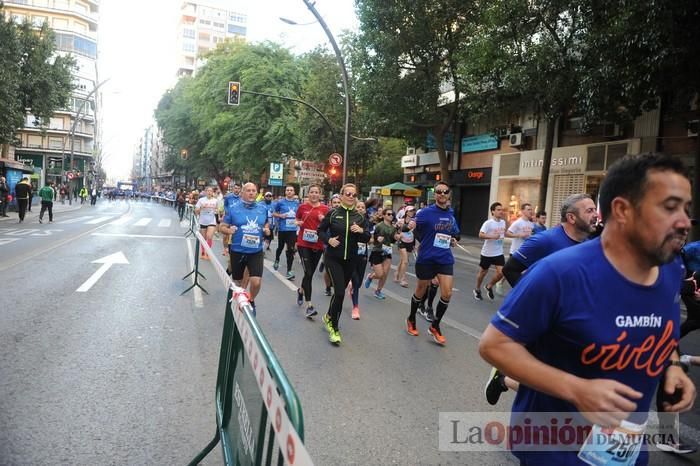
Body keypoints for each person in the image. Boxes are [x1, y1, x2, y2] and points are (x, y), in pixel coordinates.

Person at [479, 153, 696, 465]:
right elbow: (493, 345)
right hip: (554, 448)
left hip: (625, 449)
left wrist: (673, 367)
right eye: (669, 207)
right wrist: (577, 389)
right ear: (622, 210)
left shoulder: (671, 269)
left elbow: (662, 333)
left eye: (687, 209)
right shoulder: (559, 273)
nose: (684, 222)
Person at [485, 193, 598, 405]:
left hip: (577, 319)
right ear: (572, 218)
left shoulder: (592, 243)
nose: (595, 215)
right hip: (550, 321)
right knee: (557, 387)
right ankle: (504, 380)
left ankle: (504, 380)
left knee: (567, 384)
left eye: (595, 210)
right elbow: (511, 269)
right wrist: (539, 303)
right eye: (589, 211)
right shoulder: (546, 240)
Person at [405, 181, 459, 345]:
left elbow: (455, 234)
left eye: (445, 191)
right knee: (421, 290)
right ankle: (411, 318)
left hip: (444, 258)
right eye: (439, 191)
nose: (442, 194)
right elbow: (411, 227)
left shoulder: (450, 214)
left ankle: (435, 326)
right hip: (427, 257)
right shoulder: (425, 213)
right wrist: (410, 225)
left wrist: (454, 240)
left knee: (447, 293)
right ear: (434, 194)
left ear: (449, 194)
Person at [317, 184, 370, 344]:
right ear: (341, 196)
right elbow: (320, 231)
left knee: (338, 294)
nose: (351, 197)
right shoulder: (333, 213)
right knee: (339, 292)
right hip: (333, 258)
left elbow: (367, 237)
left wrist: (361, 232)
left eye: (354, 195)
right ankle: (334, 328)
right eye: (348, 194)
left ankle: (328, 316)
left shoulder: (360, 217)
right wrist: (329, 240)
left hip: (351, 260)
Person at [219, 182, 270, 315]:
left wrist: (266, 229)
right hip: (237, 250)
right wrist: (229, 230)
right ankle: (237, 306)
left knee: (256, 281)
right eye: (248, 190)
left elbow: (266, 224)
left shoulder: (262, 209)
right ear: (242, 193)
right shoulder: (233, 208)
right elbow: (222, 227)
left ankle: (251, 300)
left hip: (256, 251)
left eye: (254, 190)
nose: (251, 193)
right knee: (238, 283)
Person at [294, 184, 329, 318]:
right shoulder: (302, 207)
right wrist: (298, 223)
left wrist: (323, 220)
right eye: (312, 192)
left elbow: (329, 226)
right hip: (303, 244)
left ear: (320, 195)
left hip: (318, 245)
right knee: (308, 272)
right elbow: (297, 219)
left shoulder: (325, 209)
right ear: (308, 194)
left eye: (316, 192)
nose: (314, 194)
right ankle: (309, 306)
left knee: (309, 274)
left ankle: (301, 290)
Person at [364, 208, 400, 299]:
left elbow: (392, 241)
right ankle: (371, 277)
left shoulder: (393, 228)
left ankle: (378, 291)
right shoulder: (379, 226)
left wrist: (396, 238)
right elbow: (372, 238)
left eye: (392, 214)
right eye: (388, 214)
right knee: (379, 274)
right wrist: (377, 239)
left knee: (385, 274)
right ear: (383, 215)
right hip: (377, 251)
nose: (391, 216)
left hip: (387, 252)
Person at [474, 202, 506, 300]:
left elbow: (502, 234)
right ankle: (477, 289)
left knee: (502, 272)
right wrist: (492, 236)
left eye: (502, 210)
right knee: (483, 272)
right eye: (498, 210)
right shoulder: (488, 223)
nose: (501, 212)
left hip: (499, 252)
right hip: (487, 253)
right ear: (493, 211)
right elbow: (480, 234)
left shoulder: (503, 222)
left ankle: (489, 286)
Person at [349, 200, 371, 320]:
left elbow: (368, 237)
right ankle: (355, 307)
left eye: (363, 207)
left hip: (362, 254)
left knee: (359, 282)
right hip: (350, 254)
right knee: (356, 281)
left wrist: (362, 230)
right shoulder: (349, 219)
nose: (361, 209)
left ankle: (352, 288)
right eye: (358, 207)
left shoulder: (366, 222)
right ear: (354, 208)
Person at [272, 185, 300, 280]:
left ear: (294, 192)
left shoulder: (297, 203)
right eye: (287, 190)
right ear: (285, 192)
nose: (289, 192)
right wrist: (281, 215)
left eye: (291, 190)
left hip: (292, 230)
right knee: (280, 247)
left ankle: (289, 270)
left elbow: (299, 215)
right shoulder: (280, 202)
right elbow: (273, 213)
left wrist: (299, 221)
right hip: (283, 229)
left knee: (291, 250)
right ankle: (277, 259)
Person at [321, 194, 342, 296]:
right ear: (330, 204)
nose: (337, 205)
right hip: (328, 245)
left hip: (341, 246)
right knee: (328, 269)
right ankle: (328, 287)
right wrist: (328, 240)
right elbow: (321, 230)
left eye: (339, 202)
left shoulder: (345, 214)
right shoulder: (328, 213)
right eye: (335, 203)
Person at [194, 186, 219, 260]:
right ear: (205, 192)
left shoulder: (215, 200)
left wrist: (217, 212)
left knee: (209, 236)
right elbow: (196, 211)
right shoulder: (201, 200)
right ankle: (203, 252)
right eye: (208, 191)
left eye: (211, 191)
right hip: (203, 221)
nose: (209, 192)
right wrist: (201, 208)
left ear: (212, 192)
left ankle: (208, 253)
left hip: (212, 221)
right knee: (204, 238)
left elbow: (217, 210)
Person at [395, 205, 417, 287]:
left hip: (410, 242)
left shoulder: (413, 222)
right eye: (410, 211)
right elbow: (396, 230)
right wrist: (398, 234)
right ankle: (402, 279)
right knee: (405, 261)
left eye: (413, 211)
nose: (412, 212)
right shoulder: (400, 221)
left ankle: (396, 273)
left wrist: (415, 245)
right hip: (402, 242)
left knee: (402, 260)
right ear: (406, 212)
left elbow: (412, 232)